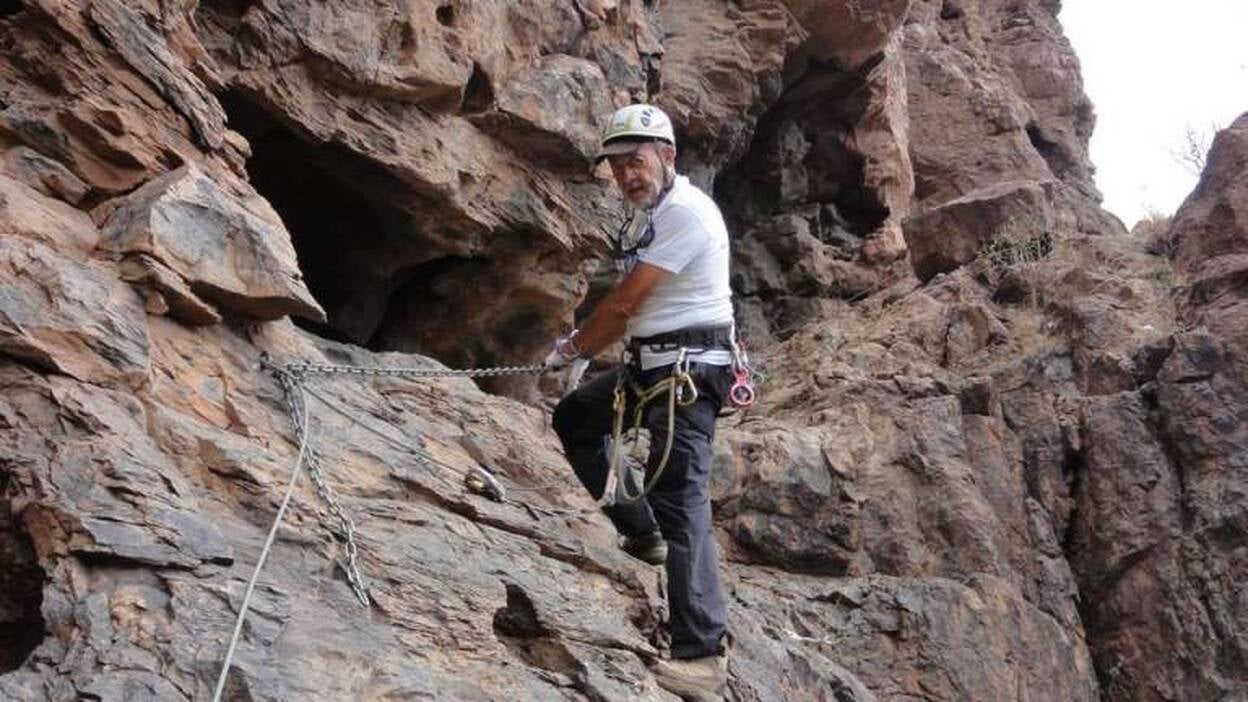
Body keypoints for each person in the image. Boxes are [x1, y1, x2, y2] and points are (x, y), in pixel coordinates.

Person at [544, 104, 737, 701]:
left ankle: (702, 658)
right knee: (576, 419)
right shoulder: (648, 217)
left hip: (689, 373)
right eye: (618, 166)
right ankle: (641, 532)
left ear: (667, 157)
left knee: (681, 498)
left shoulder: (685, 214)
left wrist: (574, 349)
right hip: (651, 365)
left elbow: (625, 304)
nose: (628, 174)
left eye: (637, 161)